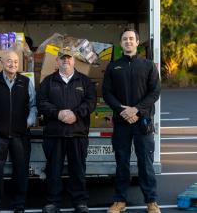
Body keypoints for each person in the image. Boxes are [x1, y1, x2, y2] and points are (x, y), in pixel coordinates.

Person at [102, 28, 161, 213]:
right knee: (122, 163)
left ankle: (151, 201)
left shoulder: (148, 65)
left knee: (146, 163)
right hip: (121, 123)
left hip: (142, 122)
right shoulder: (113, 66)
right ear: (121, 44)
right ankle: (120, 201)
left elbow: (155, 92)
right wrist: (122, 110)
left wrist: (137, 110)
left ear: (137, 42)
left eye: (131, 39)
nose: (128, 42)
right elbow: (107, 93)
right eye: (124, 39)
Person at [38, 47, 97, 213]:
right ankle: (52, 202)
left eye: (69, 58)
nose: (66, 60)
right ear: (57, 61)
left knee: (78, 169)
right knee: (53, 170)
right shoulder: (48, 81)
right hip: (54, 133)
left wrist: (76, 114)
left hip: (77, 133)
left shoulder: (84, 81)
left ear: (74, 60)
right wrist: (57, 113)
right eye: (62, 58)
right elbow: (41, 102)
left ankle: (80, 202)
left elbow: (91, 102)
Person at [0, 50, 37, 213]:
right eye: (9, 61)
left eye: (16, 62)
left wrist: (28, 122)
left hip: (21, 135)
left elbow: (33, 106)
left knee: (21, 171)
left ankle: (19, 204)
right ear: (3, 63)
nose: (13, 64)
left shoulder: (26, 82)